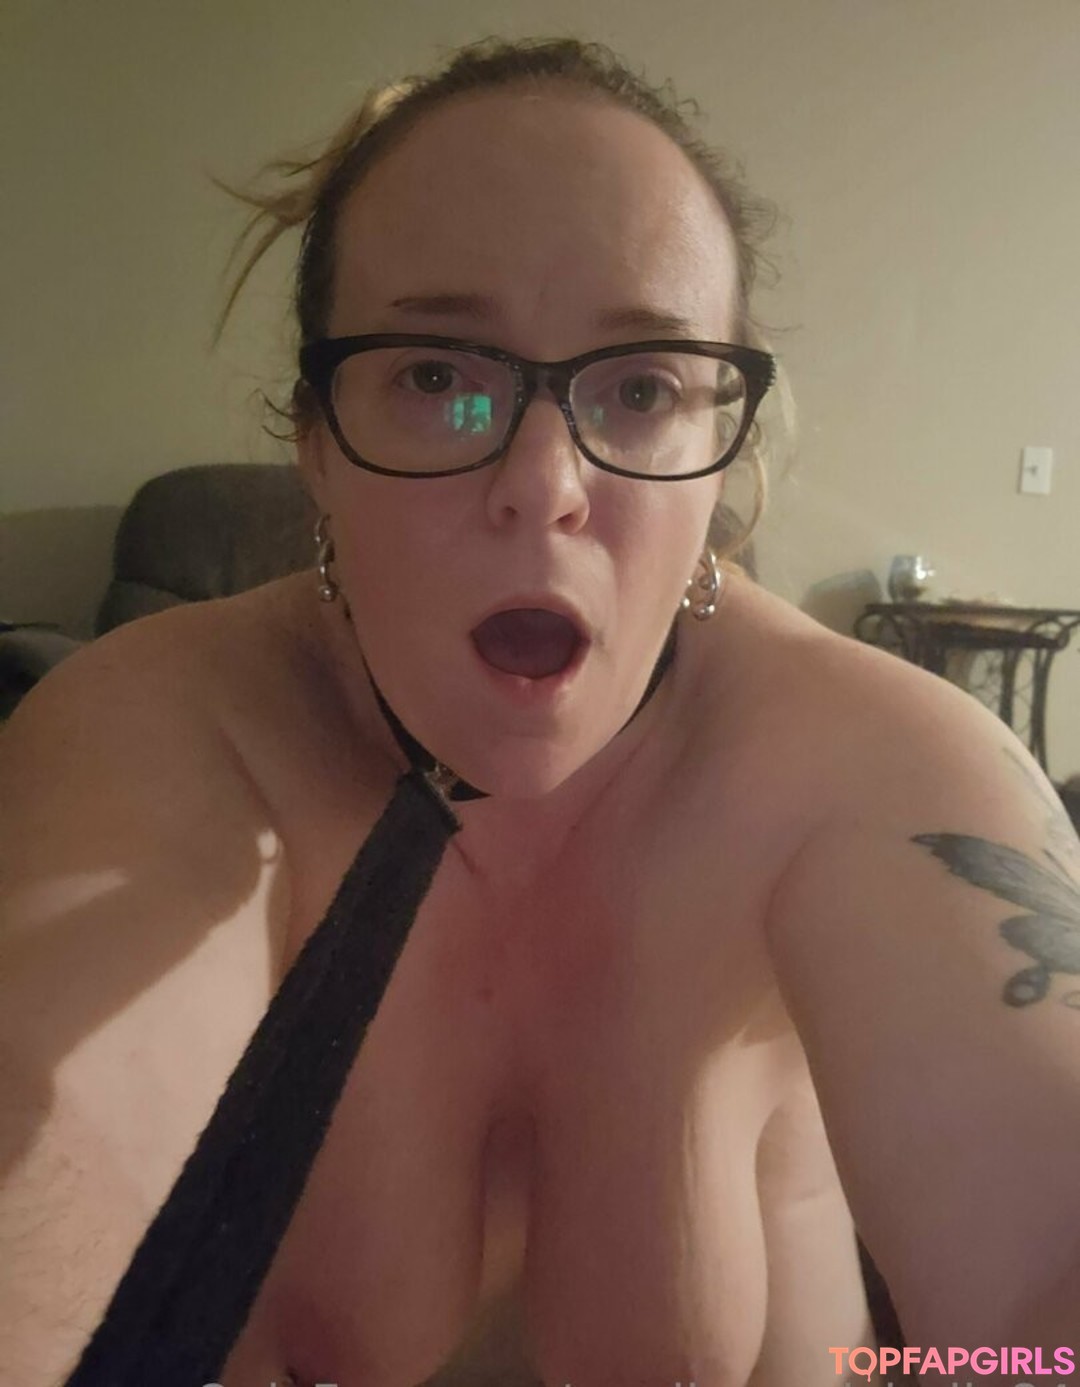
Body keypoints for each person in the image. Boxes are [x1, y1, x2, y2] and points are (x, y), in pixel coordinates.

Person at [2, 35, 1079, 1387]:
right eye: (436, 377)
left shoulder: (860, 761)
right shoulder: (173, 730)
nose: (546, 485)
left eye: (642, 387)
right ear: (315, 443)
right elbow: (48, 1141)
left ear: (719, 459)